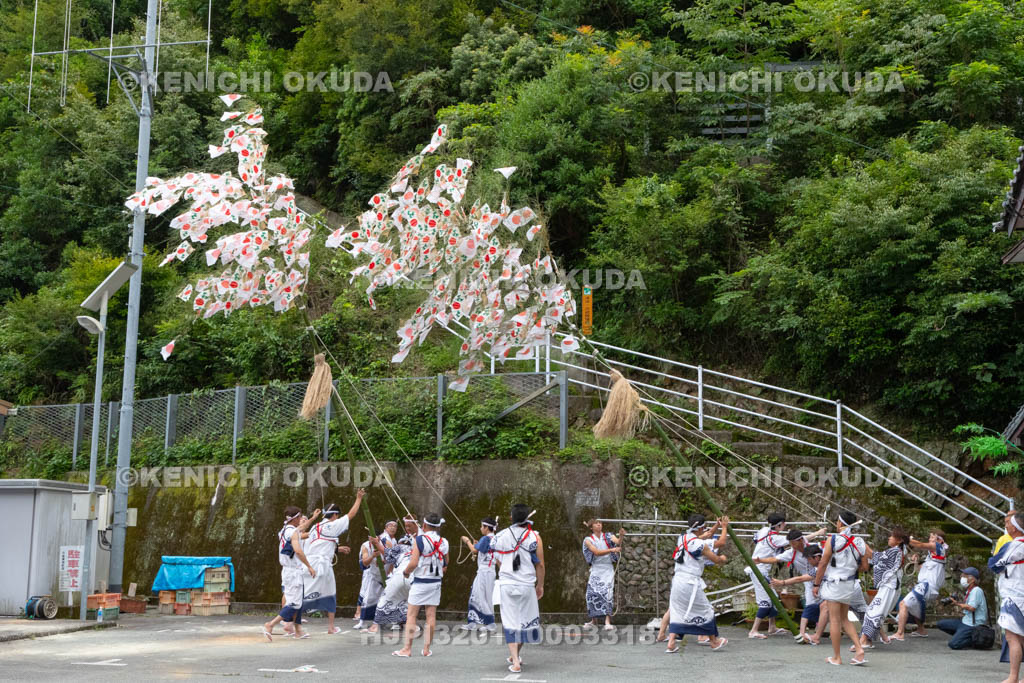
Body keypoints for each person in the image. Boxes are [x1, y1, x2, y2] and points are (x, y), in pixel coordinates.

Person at [654, 517, 728, 644]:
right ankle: (709, 639)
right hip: (690, 581)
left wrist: (717, 525)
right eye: (704, 528)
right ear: (700, 528)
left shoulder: (682, 538)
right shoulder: (700, 545)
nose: (706, 531)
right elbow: (720, 544)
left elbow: (707, 534)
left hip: (677, 579)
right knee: (706, 610)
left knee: (675, 610)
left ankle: (668, 640)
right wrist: (725, 527)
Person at [491, 503, 544, 674]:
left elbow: (494, 554)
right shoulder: (535, 537)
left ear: (511, 517)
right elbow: (540, 565)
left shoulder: (500, 535)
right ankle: (516, 656)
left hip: (507, 584)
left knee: (510, 622)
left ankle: (515, 660)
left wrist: (505, 568)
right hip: (527, 584)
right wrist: (540, 585)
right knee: (525, 621)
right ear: (528, 518)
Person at [814, 510, 872, 666]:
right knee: (844, 618)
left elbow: (823, 563)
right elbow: (865, 566)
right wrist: (849, 568)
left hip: (834, 584)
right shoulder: (859, 542)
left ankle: (837, 657)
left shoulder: (832, 540)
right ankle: (859, 650)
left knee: (835, 620)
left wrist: (816, 584)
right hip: (849, 584)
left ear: (840, 523)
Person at [300, 493, 364, 634]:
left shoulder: (315, 527)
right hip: (320, 565)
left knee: (325, 593)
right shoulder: (332, 525)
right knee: (307, 596)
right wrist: (358, 498)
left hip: (312, 564)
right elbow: (351, 515)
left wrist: (337, 549)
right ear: (334, 515)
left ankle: (330, 627)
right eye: (337, 515)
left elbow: (317, 545)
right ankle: (284, 622)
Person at [393, 513, 449, 658]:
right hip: (436, 582)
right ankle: (426, 649)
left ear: (424, 525)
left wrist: (405, 572)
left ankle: (407, 649)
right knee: (431, 615)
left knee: (411, 615)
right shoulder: (444, 541)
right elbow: (446, 562)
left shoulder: (420, 539)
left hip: (420, 581)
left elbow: (413, 563)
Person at [263, 506, 319, 641]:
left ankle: (298, 630)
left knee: (297, 601)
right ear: (296, 518)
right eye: (300, 517)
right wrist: (309, 566)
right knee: (294, 604)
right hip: (293, 572)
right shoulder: (293, 532)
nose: (301, 520)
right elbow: (298, 551)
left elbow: (301, 528)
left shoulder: (284, 530)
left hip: (288, 571)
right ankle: (271, 624)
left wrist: (313, 518)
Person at [858, 526, 909, 648]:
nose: (889, 538)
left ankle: (863, 641)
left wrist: (861, 543)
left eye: (892, 536)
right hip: (892, 588)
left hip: (889, 588)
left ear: (899, 540)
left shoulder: (895, 551)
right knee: (877, 613)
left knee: (873, 612)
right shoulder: (900, 550)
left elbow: (875, 556)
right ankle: (882, 638)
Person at [894, 529, 948, 640]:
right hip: (927, 586)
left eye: (932, 537)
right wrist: (916, 562)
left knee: (903, 604)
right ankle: (921, 629)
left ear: (939, 540)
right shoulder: (932, 556)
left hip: (926, 586)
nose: (930, 539)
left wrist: (906, 539)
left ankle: (899, 633)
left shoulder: (938, 547)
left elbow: (921, 545)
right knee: (914, 606)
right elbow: (921, 570)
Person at [990, 510, 1024, 683]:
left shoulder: (1014, 545)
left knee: (1012, 637)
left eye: (1008, 523)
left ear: (1015, 527)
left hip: (1014, 594)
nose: (1006, 526)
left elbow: (994, 564)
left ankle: (1013, 676)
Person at [747, 512, 789, 638]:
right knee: (765, 602)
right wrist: (817, 534)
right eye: (783, 524)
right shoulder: (775, 538)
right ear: (779, 525)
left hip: (761, 569)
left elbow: (755, 539)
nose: (785, 525)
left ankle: (772, 627)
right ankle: (753, 631)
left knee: (774, 598)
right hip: (759, 570)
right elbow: (797, 540)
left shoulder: (764, 530)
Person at [774, 543, 824, 644]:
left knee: (832, 612)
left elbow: (800, 579)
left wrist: (782, 582)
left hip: (834, 591)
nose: (808, 562)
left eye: (809, 559)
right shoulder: (819, 567)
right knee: (815, 608)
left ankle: (811, 635)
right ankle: (804, 633)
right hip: (826, 591)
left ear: (817, 557)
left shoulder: (822, 567)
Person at [458, 517, 498, 632]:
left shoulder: (485, 538)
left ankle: (489, 623)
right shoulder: (495, 538)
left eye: (482, 526)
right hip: (489, 571)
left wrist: (467, 541)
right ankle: (473, 622)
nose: (480, 528)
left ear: (486, 528)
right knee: (481, 596)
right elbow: (480, 549)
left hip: (484, 572)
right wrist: (476, 545)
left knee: (479, 596)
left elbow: (474, 551)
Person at [582, 519, 623, 630]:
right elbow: (596, 552)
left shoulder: (608, 536)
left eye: (600, 523)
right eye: (596, 523)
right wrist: (611, 550)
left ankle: (607, 621)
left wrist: (621, 536)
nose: (599, 524)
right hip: (596, 568)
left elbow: (618, 542)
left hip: (607, 568)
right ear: (591, 527)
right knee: (591, 594)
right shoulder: (588, 540)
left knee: (608, 594)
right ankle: (594, 620)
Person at [935, 567, 988, 650]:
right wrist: (955, 602)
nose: (961, 577)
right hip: (965, 621)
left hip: (972, 625)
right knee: (940, 624)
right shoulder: (969, 591)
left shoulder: (976, 591)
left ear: (972, 580)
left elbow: (971, 608)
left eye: (965, 576)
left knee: (953, 644)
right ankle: (961, 636)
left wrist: (957, 604)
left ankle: (975, 638)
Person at [355, 527, 386, 630]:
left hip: (387, 575)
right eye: (370, 537)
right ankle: (362, 621)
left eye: (374, 538)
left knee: (388, 600)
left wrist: (384, 561)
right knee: (368, 599)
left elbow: (392, 557)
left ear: (379, 537)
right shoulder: (365, 546)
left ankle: (391, 622)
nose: (371, 540)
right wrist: (372, 556)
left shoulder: (386, 543)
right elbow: (365, 562)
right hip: (373, 575)